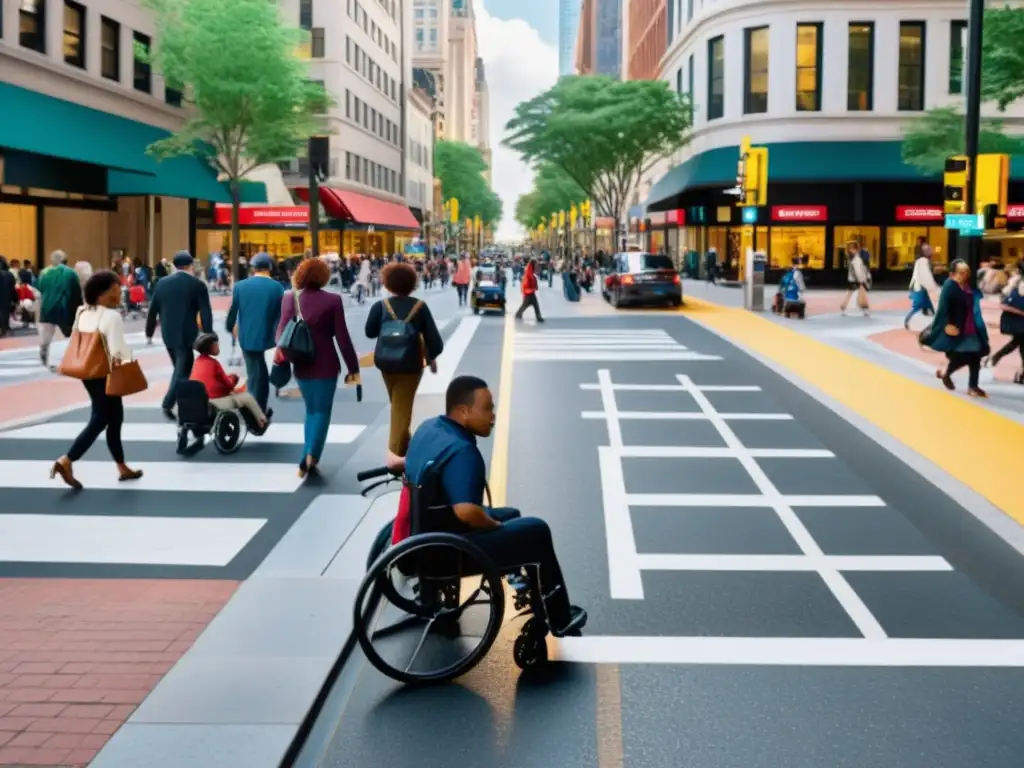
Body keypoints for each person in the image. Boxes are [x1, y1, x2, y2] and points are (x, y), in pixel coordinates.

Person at [403, 376, 586, 635]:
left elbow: (409, 464)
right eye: (487, 408)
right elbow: (466, 511)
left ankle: (521, 580)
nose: (493, 416)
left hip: (424, 536)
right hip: (450, 551)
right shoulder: (462, 451)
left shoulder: (429, 428)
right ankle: (558, 616)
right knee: (536, 529)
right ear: (464, 411)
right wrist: (494, 525)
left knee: (514, 515)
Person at [50, 271, 143, 489]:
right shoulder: (112, 317)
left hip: (87, 371)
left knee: (114, 416)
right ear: (102, 293)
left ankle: (122, 466)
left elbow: (76, 338)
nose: (119, 293)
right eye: (115, 289)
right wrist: (131, 358)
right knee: (101, 418)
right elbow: (117, 350)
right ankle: (67, 460)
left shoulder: (82, 311)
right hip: (106, 372)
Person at [275, 257, 360, 478]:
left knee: (311, 410)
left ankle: (308, 456)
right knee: (322, 411)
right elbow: (342, 338)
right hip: (326, 363)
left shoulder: (289, 298)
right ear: (323, 276)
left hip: (300, 362)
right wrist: (353, 367)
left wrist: (283, 355)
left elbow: (281, 332)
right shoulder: (333, 300)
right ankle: (310, 456)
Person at [365, 261, 445, 471]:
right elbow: (435, 342)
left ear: (387, 283)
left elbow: (370, 332)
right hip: (410, 365)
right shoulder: (420, 307)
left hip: (385, 364)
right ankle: (397, 458)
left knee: (398, 407)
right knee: (401, 410)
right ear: (412, 283)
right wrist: (429, 357)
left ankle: (403, 454)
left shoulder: (381, 306)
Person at [145, 250, 214, 420]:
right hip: (187, 334)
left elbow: (152, 310)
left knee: (179, 368)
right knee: (182, 371)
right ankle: (169, 403)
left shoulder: (162, 283)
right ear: (190, 266)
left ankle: (184, 405)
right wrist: (209, 334)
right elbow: (206, 313)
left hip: (167, 333)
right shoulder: (197, 285)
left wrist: (149, 332)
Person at [225, 252, 284, 417]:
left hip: (246, 337)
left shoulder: (240, 286)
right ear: (270, 268)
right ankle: (258, 411)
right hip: (268, 338)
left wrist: (232, 330)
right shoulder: (277, 287)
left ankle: (252, 407)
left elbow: (231, 315)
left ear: (253, 268)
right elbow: (281, 316)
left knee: (253, 373)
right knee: (262, 375)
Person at [922, 259, 989, 398]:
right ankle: (957, 377)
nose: (964, 275)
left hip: (970, 326)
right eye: (961, 272)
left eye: (966, 272)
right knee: (971, 355)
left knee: (974, 355)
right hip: (958, 328)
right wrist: (947, 324)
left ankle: (968, 384)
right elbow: (942, 308)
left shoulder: (965, 285)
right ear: (952, 273)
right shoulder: (950, 286)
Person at [190, 333, 268, 431]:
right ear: (211, 347)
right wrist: (234, 378)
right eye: (216, 344)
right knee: (246, 397)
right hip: (215, 403)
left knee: (237, 394)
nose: (218, 346)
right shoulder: (214, 363)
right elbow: (229, 385)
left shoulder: (197, 362)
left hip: (200, 402)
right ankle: (262, 421)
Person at [905, 243, 938, 329]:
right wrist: (932, 286)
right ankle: (907, 321)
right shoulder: (923, 261)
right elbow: (925, 276)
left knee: (929, 306)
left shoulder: (921, 261)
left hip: (920, 288)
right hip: (920, 288)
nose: (931, 251)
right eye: (928, 250)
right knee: (919, 306)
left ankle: (939, 323)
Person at [0, 258, 14, 338]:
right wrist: (15, 299)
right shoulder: (9, 275)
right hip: (6, 298)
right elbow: (12, 289)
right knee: (4, 313)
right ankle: (4, 329)